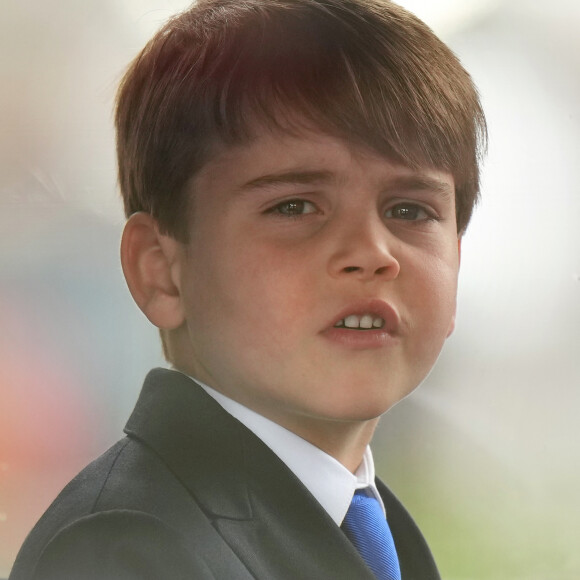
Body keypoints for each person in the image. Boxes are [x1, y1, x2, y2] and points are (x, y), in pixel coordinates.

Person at [9, 0, 486, 578]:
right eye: (295, 206)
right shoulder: (126, 547)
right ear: (160, 270)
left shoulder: (377, 532)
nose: (372, 254)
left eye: (409, 209)